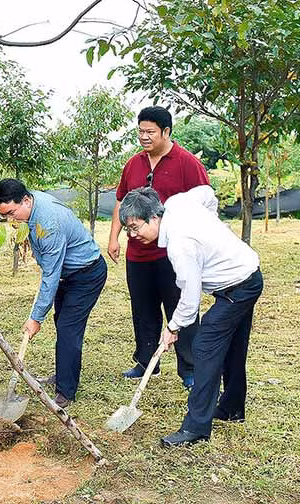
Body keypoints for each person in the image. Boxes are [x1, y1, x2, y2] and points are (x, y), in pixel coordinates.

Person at [118, 186, 262, 446]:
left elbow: (190, 298)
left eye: (135, 227)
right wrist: (211, 224)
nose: (132, 235)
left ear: (154, 217)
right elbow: (207, 193)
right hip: (247, 273)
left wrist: (173, 327)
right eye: (128, 230)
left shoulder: (180, 245)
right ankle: (231, 408)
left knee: (205, 346)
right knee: (233, 346)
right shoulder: (177, 203)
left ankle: (195, 428)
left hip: (239, 286)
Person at [108, 106, 210, 389]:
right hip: (138, 254)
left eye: (150, 132)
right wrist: (114, 236)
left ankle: (189, 368)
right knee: (142, 308)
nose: (143, 137)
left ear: (166, 132)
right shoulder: (133, 164)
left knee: (182, 307)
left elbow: (205, 202)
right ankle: (145, 361)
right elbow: (120, 201)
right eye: (140, 131)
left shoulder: (187, 163)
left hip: (174, 253)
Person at [0, 179, 107, 408]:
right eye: (3, 215)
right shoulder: (31, 204)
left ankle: (66, 392)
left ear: (25, 200)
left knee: (68, 328)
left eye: (12, 213)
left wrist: (36, 318)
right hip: (67, 273)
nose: (9, 220)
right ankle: (64, 373)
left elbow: (51, 275)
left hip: (86, 274)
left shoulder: (49, 223)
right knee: (62, 323)